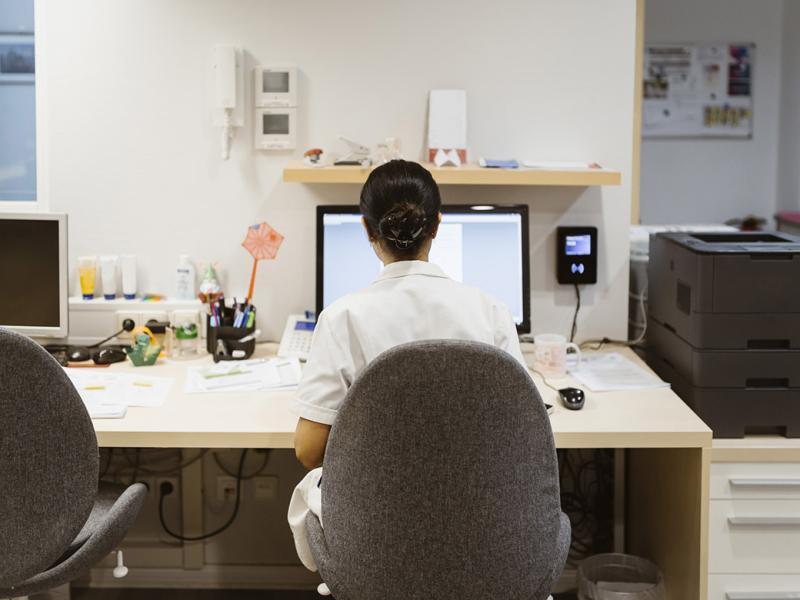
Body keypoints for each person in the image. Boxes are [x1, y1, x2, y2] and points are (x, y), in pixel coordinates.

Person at [287, 159, 529, 571]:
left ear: (367, 230)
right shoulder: (491, 311)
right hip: (479, 538)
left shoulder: (344, 317)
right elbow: (522, 434)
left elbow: (309, 451)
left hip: (376, 541)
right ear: (437, 224)